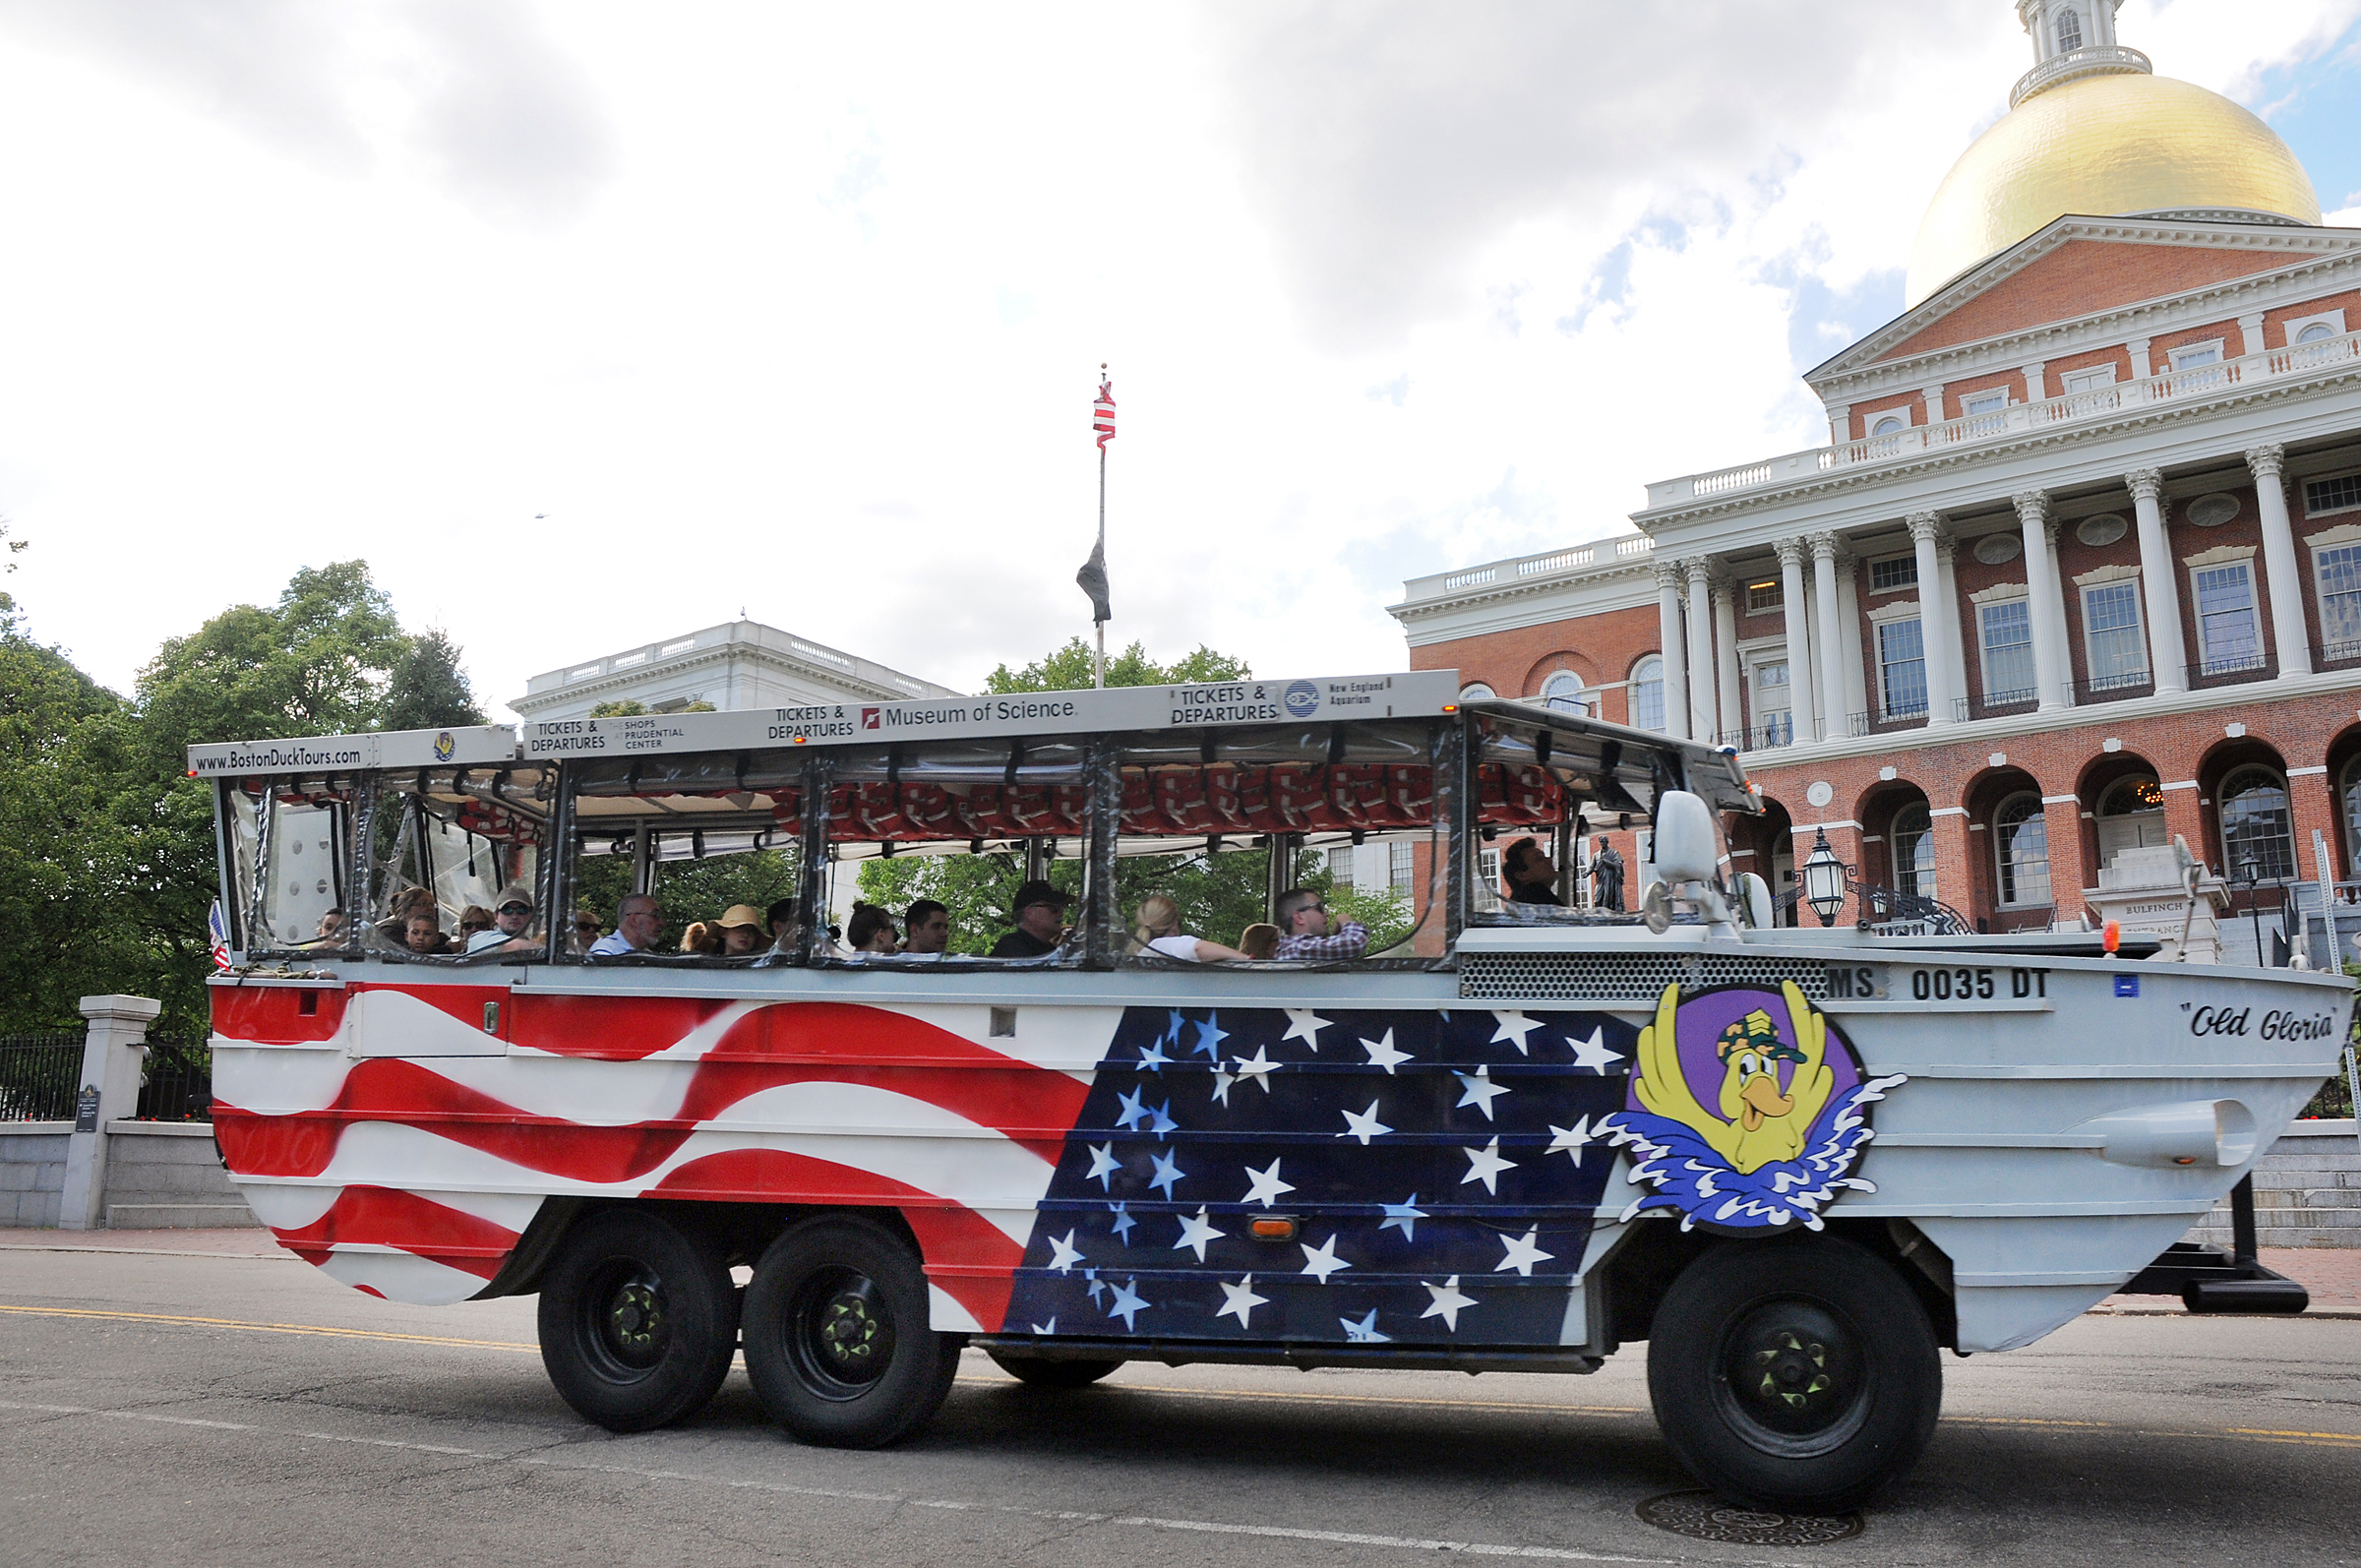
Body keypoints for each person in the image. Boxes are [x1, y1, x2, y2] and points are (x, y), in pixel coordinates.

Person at [1130, 893, 1247, 961]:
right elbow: (1198, 949)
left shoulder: (1143, 950)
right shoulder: (1161, 945)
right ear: (1175, 924)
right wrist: (1247, 960)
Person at [1272, 887, 1367, 960]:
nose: (1326, 914)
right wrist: (1346, 921)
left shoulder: (1296, 949)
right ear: (1299, 918)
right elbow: (1355, 941)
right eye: (1319, 908)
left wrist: (1337, 935)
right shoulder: (1297, 948)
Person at [991, 879, 1071, 957]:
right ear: (1029, 913)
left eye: (1062, 907)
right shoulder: (1011, 947)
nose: (1061, 912)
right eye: (1054, 908)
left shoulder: (1048, 949)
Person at [468, 888, 539, 955]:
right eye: (507, 910)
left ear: (531, 916)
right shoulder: (479, 939)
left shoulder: (530, 945)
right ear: (496, 916)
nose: (514, 916)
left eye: (522, 910)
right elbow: (515, 946)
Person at [588, 893, 661, 957]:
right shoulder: (605, 950)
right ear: (634, 920)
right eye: (654, 915)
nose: (661, 922)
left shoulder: (647, 954)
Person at [1503, 837, 1563, 906]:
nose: (1550, 860)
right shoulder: (1536, 894)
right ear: (1522, 876)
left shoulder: (1517, 902)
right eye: (1539, 859)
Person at [1590, 835, 1626, 912]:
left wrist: (1607, 862)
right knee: (1597, 899)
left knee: (1609, 900)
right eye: (1601, 842)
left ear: (1607, 842)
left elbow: (1618, 864)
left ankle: (1608, 914)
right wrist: (1586, 873)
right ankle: (1599, 914)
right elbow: (1592, 866)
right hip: (1600, 880)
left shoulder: (1614, 853)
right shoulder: (1596, 855)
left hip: (1610, 881)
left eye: (1603, 842)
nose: (1602, 843)